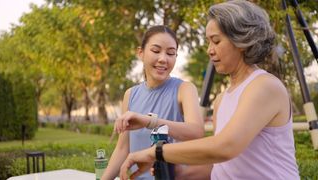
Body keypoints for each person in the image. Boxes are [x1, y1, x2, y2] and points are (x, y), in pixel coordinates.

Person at [119, 1, 300, 180]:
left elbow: (224, 147)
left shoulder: (264, 86)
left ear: (242, 40)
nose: (209, 50)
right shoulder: (221, 100)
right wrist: (178, 174)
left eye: (216, 41)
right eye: (208, 42)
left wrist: (156, 153)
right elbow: (220, 164)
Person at [101, 25, 205, 180]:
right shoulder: (130, 94)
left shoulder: (185, 89)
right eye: (156, 51)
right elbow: (123, 148)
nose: (163, 59)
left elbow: (196, 132)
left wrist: (150, 121)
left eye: (171, 53)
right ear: (141, 53)